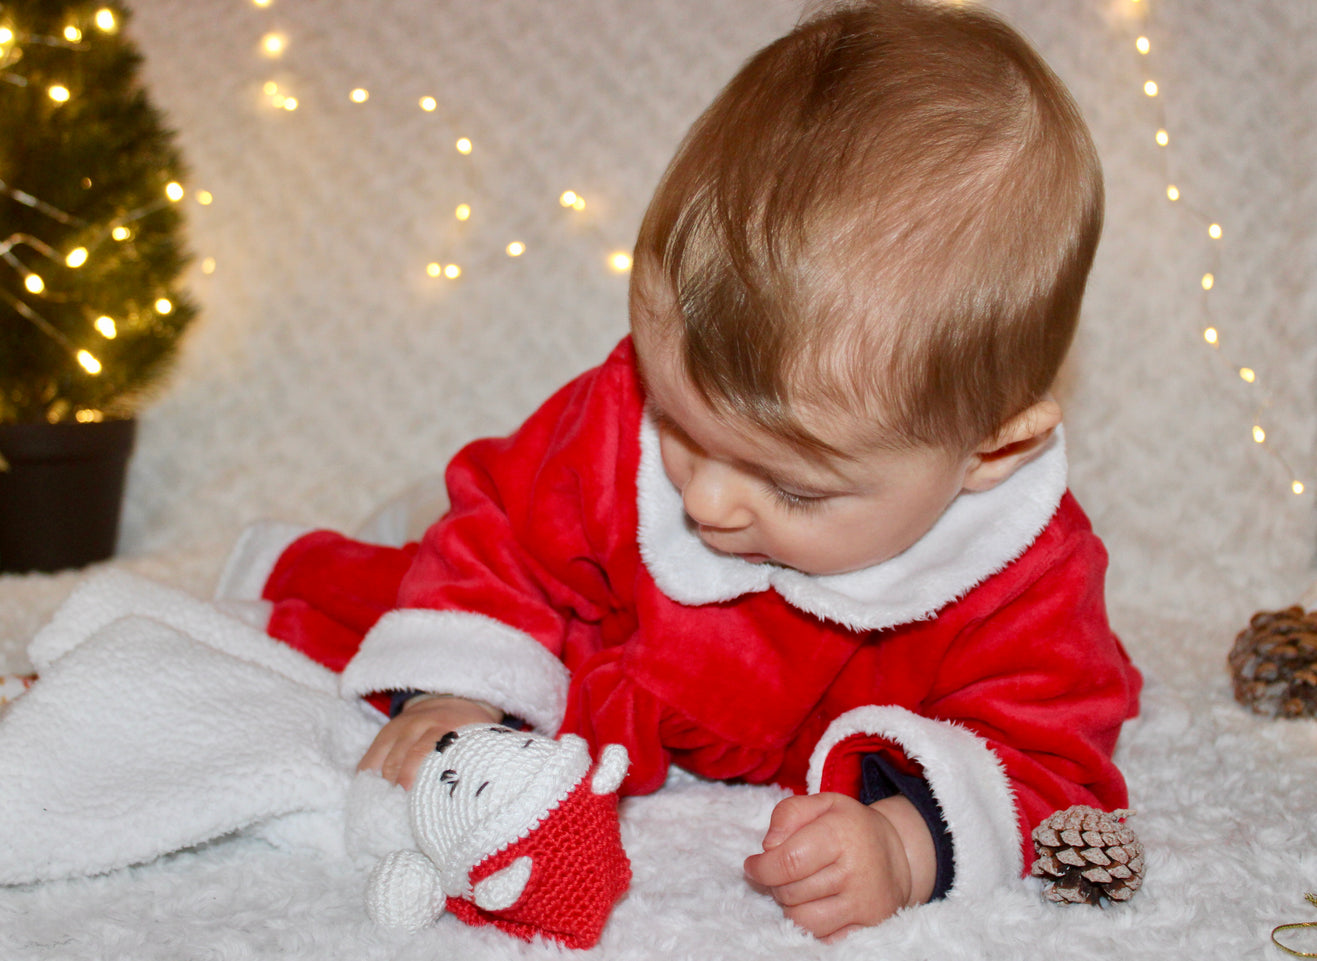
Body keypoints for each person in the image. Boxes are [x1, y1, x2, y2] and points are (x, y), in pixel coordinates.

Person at [218, 0, 1141, 939]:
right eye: (682, 427)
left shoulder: (1025, 579)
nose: (704, 497)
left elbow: (1050, 758)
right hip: (600, 654)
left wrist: (904, 843)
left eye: (792, 487)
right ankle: (283, 564)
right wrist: (459, 690)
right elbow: (503, 527)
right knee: (380, 594)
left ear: (994, 448)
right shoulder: (622, 412)